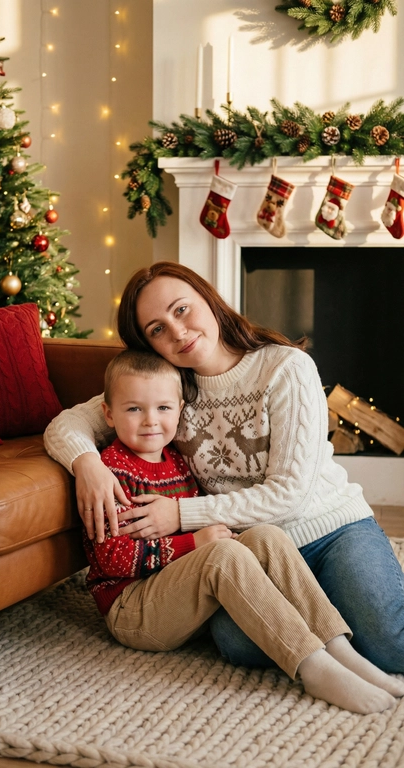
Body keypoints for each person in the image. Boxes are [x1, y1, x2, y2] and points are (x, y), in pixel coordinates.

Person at [44, 260, 404, 677]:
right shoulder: (167, 388)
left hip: (330, 530)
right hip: (251, 548)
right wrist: (86, 462)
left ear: (209, 299)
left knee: (389, 645)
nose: (177, 332)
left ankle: (338, 611)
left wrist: (177, 515)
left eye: (181, 309)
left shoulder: (285, 367)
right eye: (157, 329)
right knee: (235, 643)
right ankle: (322, 620)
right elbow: (67, 425)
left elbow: (290, 496)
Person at [78, 347, 404, 714]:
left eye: (164, 408)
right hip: (133, 607)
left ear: (180, 411)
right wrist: (194, 542)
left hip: (177, 590)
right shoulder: (112, 472)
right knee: (222, 555)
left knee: (265, 535)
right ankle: (313, 666)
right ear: (108, 413)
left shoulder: (178, 461)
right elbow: (111, 557)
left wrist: (219, 540)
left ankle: (338, 649)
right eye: (134, 409)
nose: (150, 420)